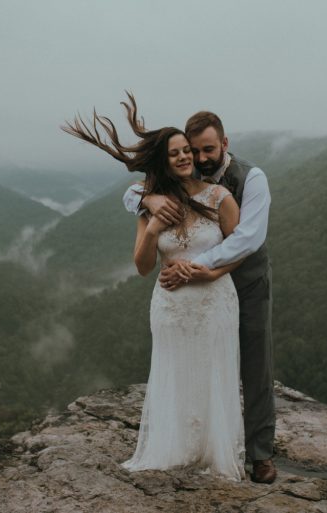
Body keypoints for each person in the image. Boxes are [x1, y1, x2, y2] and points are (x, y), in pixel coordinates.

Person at [62, 94, 246, 481]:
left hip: (215, 301)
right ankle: (176, 447)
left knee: (213, 372)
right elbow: (144, 266)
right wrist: (155, 227)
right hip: (170, 306)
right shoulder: (150, 205)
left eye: (186, 151)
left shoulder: (220, 198)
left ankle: (214, 452)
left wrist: (209, 274)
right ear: (163, 161)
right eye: (174, 153)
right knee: (174, 372)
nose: (183, 157)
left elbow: (239, 250)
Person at [122, 111, 277, 484]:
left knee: (255, 365)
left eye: (208, 149)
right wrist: (150, 204)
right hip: (186, 294)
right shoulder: (175, 182)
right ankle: (192, 439)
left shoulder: (250, 179)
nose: (200, 157)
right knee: (193, 364)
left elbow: (247, 240)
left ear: (224, 143)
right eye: (194, 150)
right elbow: (131, 193)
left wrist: (195, 268)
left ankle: (259, 454)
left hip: (244, 281)